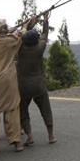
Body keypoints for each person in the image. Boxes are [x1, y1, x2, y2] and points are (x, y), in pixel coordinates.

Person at [0, 16, 38, 156]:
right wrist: (25, 25)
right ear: (4, 31)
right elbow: (22, 34)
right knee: (12, 109)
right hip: (9, 80)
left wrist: (9, 31)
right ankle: (16, 143)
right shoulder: (11, 41)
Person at [17, 11, 56, 145]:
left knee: (23, 111)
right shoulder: (40, 48)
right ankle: (50, 136)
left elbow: (21, 37)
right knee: (46, 109)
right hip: (38, 84)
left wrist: (28, 25)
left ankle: (29, 136)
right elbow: (45, 35)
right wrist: (45, 21)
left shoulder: (20, 49)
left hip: (23, 86)